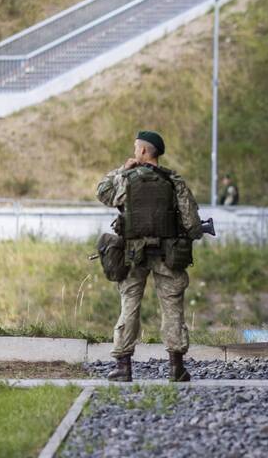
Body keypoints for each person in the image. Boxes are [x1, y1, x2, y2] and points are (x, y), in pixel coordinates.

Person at [96, 130, 203, 383]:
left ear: (143, 151)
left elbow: (102, 192)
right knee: (172, 308)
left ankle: (123, 366)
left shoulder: (126, 179)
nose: (134, 153)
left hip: (133, 254)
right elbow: (193, 225)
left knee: (130, 305)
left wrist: (122, 169)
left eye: (136, 149)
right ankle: (176, 368)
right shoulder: (173, 181)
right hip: (168, 254)